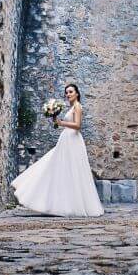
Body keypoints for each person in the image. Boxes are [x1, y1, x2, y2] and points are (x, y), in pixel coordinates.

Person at [10, 83, 104, 216]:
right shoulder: (72, 107)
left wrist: (61, 123)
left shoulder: (77, 106)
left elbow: (78, 125)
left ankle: (72, 206)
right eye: (66, 92)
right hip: (66, 139)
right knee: (59, 169)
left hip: (73, 140)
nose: (68, 94)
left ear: (77, 94)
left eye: (70, 92)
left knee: (72, 170)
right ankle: (57, 203)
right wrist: (55, 118)